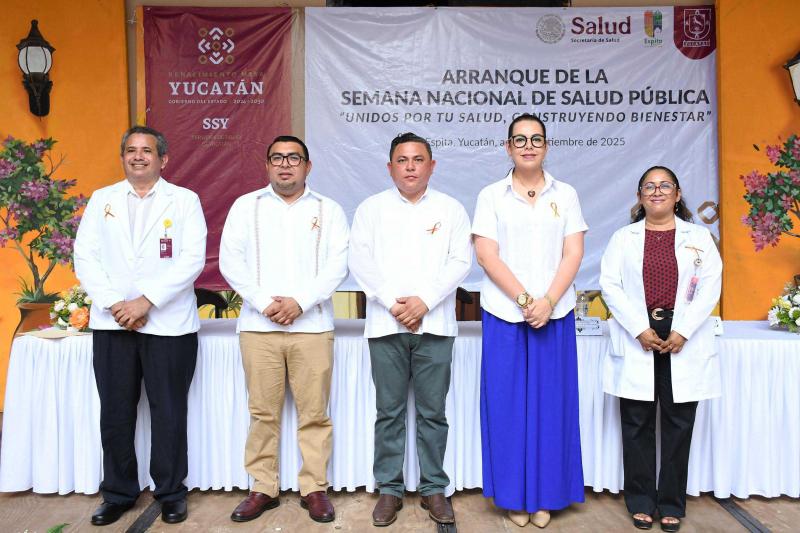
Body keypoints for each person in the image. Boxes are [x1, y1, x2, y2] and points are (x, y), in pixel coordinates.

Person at [74, 125, 207, 526]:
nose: (137, 156)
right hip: (113, 324)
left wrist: (146, 300)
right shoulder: (103, 200)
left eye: (146, 150)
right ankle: (117, 492)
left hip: (168, 325)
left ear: (162, 159)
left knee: (168, 412)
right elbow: (85, 256)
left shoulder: (184, 201)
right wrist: (117, 304)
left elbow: (192, 259)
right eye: (130, 150)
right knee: (115, 412)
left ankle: (170, 492)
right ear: (123, 158)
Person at [219, 135, 349, 524]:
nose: (285, 164)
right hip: (259, 327)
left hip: (312, 327)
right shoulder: (247, 207)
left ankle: (314, 488)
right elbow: (231, 260)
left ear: (308, 167)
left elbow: (337, 266)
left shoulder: (329, 210)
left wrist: (300, 303)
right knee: (262, 412)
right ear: (267, 166)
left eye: (294, 158)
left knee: (314, 413)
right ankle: (263, 486)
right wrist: (264, 302)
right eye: (277, 157)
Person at [349, 132, 472, 527]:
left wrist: (424, 301)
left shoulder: (451, 209)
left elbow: (460, 262)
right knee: (389, 412)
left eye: (418, 160)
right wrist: (393, 303)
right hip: (386, 325)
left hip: (434, 324)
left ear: (432, 166)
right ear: (390, 167)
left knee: (433, 412)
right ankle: (389, 489)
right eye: (402, 160)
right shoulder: (371, 209)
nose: (410, 167)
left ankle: (435, 487)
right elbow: (360, 260)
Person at [472, 113, 587, 528]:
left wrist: (548, 300)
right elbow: (487, 255)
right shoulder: (491, 195)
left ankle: (546, 497)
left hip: (553, 316)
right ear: (507, 147)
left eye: (536, 138)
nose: (528, 145)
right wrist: (525, 300)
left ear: (546, 145)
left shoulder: (567, 194)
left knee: (551, 407)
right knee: (506, 408)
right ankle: (513, 497)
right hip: (505, 314)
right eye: (519, 139)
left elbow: (572, 253)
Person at [599, 166, 722, 532]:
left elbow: (710, 286)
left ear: (678, 194)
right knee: (635, 423)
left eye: (664, 185)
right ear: (639, 197)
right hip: (640, 332)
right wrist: (638, 328)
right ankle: (640, 501)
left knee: (678, 423)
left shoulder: (699, 237)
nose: (656, 192)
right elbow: (610, 285)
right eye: (648, 187)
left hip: (683, 335)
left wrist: (683, 330)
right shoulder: (623, 238)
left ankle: (671, 502)